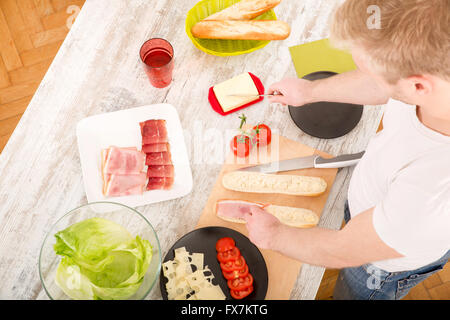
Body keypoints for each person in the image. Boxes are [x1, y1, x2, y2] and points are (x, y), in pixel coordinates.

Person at [241, 0, 450, 300]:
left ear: (418, 87)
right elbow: (385, 84)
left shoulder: (428, 198)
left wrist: (275, 235)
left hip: (379, 269)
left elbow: (344, 250)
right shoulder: (434, 63)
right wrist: (311, 91)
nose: (370, 76)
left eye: (373, 71)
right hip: (375, 211)